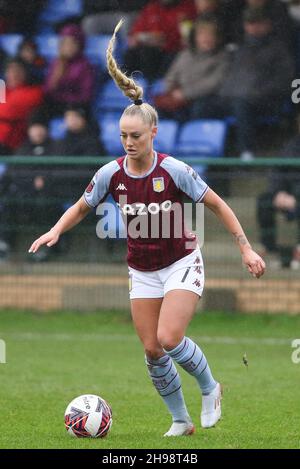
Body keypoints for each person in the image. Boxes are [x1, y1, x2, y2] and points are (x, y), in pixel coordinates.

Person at [28, 20, 266, 437]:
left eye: (135, 135)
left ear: (153, 132)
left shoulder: (175, 170)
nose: (128, 142)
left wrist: (245, 249)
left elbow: (217, 204)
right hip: (142, 269)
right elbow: (83, 207)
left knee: (170, 338)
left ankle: (211, 388)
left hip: (180, 262)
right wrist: (55, 231)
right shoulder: (111, 173)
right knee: (152, 350)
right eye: (122, 135)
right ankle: (180, 420)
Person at [155, 15, 230, 121]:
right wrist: (170, 90)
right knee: (156, 109)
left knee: (199, 108)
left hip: (206, 99)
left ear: (217, 37)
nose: (206, 38)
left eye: (210, 34)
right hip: (180, 98)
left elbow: (214, 83)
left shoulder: (223, 57)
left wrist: (185, 93)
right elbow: (170, 77)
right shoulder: (185, 55)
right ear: (195, 37)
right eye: (202, 34)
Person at [257, 114, 300, 269]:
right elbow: (277, 171)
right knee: (264, 200)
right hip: (287, 194)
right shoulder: (291, 146)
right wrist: (277, 192)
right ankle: (268, 248)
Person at [44, 24, 95, 117]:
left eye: (72, 43)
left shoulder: (85, 65)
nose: (68, 47)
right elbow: (48, 90)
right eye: (65, 43)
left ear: (79, 45)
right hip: (56, 104)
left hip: (75, 105)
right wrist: (56, 77)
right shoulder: (56, 63)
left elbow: (86, 95)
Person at [0, 58, 44, 154]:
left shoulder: (33, 92)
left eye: (17, 70)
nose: (13, 74)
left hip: (12, 143)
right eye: (10, 70)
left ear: (26, 73)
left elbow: (9, 111)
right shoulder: (3, 88)